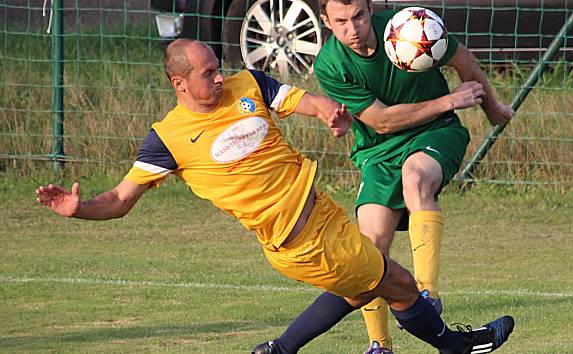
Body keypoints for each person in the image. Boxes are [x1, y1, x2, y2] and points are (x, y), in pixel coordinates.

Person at [36, 39, 514, 354]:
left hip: (322, 214)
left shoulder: (248, 84)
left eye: (217, 68)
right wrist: (81, 209)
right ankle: (458, 347)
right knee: (402, 285)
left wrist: (327, 111)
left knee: (361, 287)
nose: (218, 78)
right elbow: (120, 199)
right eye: (206, 74)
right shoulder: (168, 138)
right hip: (299, 240)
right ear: (179, 83)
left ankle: (280, 350)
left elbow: (299, 99)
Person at [313, 0, 515, 352]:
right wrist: (449, 100)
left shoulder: (410, 25)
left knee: (415, 177)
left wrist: (493, 107)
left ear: (370, 8)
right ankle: (379, 345)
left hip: (436, 132)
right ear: (325, 21)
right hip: (378, 150)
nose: (353, 28)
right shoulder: (330, 63)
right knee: (370, 246)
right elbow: (382, 120)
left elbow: (462, 59)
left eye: (359, 16)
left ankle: (427, 293)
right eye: (341, 21)